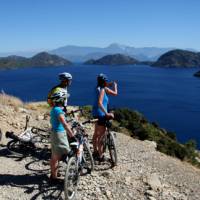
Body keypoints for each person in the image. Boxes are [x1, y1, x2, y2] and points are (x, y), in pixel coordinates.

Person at [49, 89, 75, 182]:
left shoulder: (54, 109)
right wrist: (72, 135)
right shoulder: (58, 111)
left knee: (55, 156)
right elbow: (64, 124)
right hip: (59, 135)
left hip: (54, 133)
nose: (65, 100)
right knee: (69, 153)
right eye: (64, 99)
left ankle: (53, 176)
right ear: (61, 100)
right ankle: (70, 175)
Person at [92, 73, 118, 161]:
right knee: (101, 136)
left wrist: (108, 84)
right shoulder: (103, 89)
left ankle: (95, 151)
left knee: (96, 133)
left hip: (95, 113)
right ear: (105, 82)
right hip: (102, 114)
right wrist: (115, 86)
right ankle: (101, 156)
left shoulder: (97, 88)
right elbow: (115, 93)